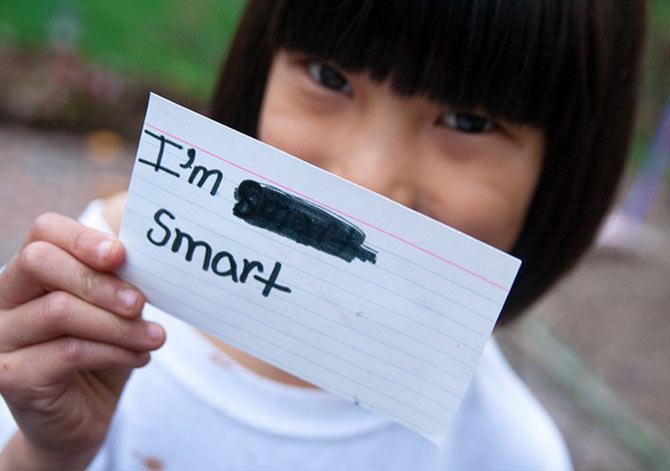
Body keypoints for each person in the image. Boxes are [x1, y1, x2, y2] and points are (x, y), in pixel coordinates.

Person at [0, 1, 646, 469]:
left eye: (467, 120)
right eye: (329, 77)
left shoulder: (505, 451)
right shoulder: (91, 309)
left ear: (561, 175)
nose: (365, 180)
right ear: (261, 68)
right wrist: (46, 453)